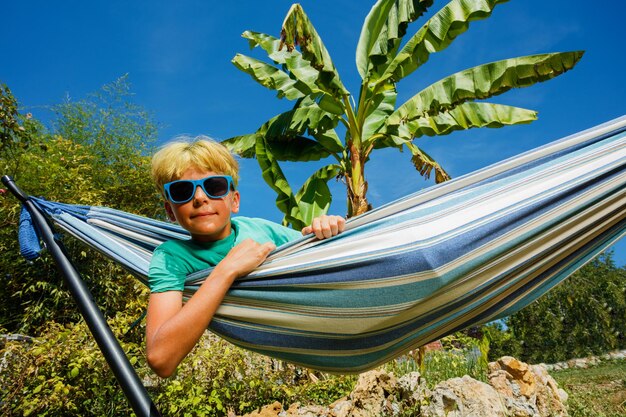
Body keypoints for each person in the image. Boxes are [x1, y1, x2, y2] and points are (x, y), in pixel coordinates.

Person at [146, 138, 345, 377]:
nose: (199, 197)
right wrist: (227, 270)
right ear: (170, 211)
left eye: (215, 186)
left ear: (235, 201)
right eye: (182, 191)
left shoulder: (261, 230)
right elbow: (161, 359)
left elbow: (322, 256)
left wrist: (324, 230)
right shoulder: (171, 257)